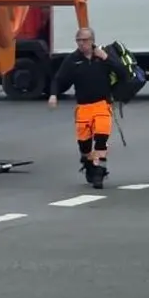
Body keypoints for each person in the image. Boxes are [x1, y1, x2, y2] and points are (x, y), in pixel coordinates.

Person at [47, 27, 131, 190]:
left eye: (85, 40)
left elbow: (123, 73)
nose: (81, 44)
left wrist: (107, 58)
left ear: (92, 40)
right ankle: (88, 163)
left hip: (102, 104)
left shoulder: (103, 56)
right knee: (84, 145)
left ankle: (99, 172)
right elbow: (59, 79)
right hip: (83, 107)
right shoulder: (73, 60)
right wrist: (53, 95)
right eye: (78, 40)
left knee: (101, 138)